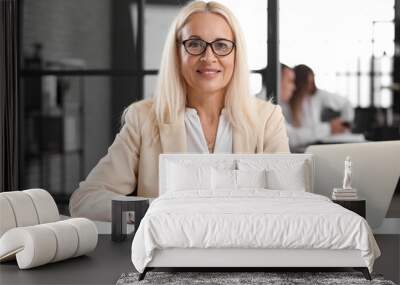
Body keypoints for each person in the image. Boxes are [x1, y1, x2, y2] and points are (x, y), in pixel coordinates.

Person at [69, 1, 290, 221]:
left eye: (221, 45)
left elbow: (290, 201)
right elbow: (86, 200)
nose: (209, 57)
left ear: (236, 53)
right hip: (169, 253)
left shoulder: (267, 119)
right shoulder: (144, 118)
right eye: (195, 44)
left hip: (246, 251)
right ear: (177, 52)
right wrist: (161, 210)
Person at [280, 64, 354, 152]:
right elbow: (291, 137)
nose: (312, 86)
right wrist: (329, 128)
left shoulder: (319, 95)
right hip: (298, 147)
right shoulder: (285, 101)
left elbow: (346, 103)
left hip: (315, 143)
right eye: (308, 82)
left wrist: (345, 123)